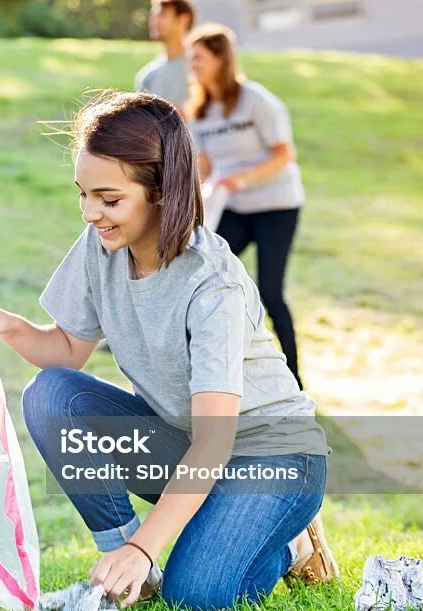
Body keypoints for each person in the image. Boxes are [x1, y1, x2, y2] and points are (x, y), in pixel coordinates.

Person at [0, 91, 337, 611]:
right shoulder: (102, 247)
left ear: (160, 191)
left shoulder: (212, 285)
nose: (90, 213)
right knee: (53, 397)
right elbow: (65, 352)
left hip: (272, 457)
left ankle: (290, 545)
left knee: (197, 596)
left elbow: (215, 442)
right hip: (187, 442)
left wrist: (146, 544)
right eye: (83, 195)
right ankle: (134, 571)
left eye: (109, 199)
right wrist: (11, 327)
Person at [185, 24, 307, 389]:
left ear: (220, 58)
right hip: (234, 209)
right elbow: (204, 167)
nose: (192, 66)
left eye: (199, 58)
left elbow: (285, 154)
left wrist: (243, 178)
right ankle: (210, 371)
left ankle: (294, 381)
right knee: (203, 275)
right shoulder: (200, 111)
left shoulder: (257, 101)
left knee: (270, 291)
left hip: (276, 207)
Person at [134, 0, 195, 110]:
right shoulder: (147, 76)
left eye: (162, 14)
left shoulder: (199, 67)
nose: (154, 20)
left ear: (183, 20)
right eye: (153, 15)